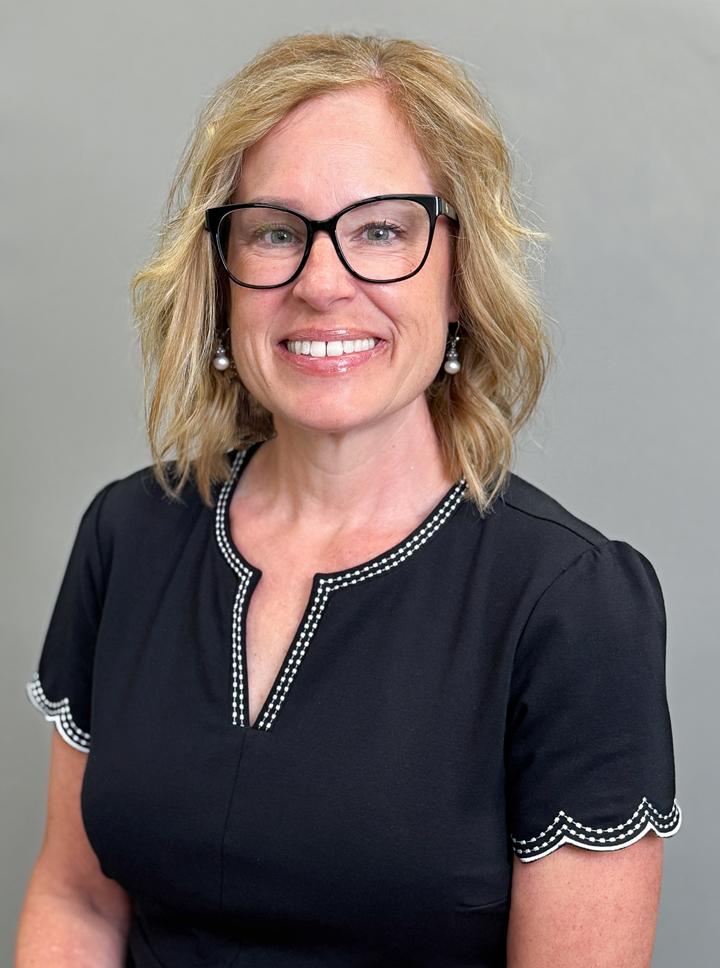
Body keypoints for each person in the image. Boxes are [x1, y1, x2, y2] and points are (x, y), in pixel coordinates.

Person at [16, 31, 682, 968]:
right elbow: (77, 901)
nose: (321, 284)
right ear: (221, 275)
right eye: (275, 231)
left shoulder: (571, 603)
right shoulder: (128, 533)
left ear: (460, 274)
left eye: (381, 229)